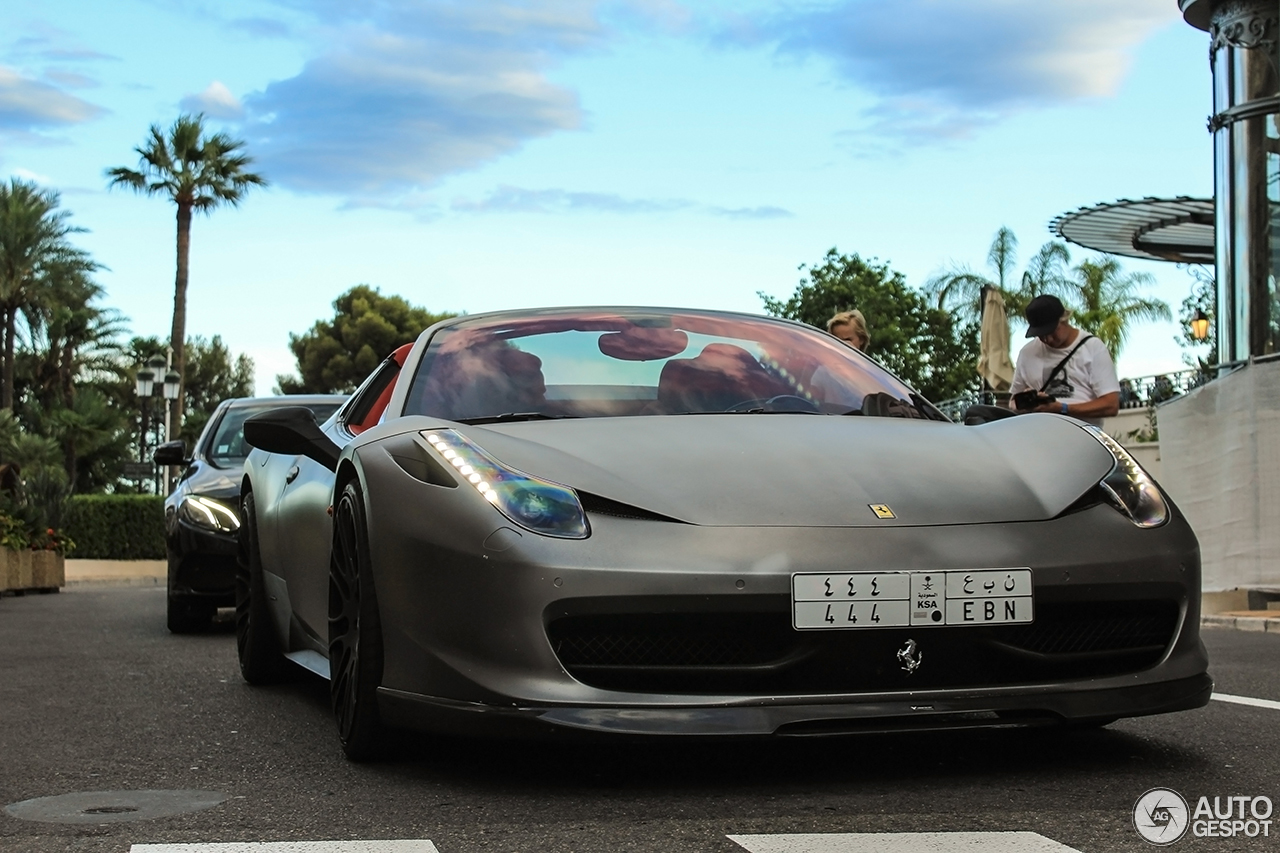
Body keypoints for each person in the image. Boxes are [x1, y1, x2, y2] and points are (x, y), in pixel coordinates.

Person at [1009, 295, 1119, 426]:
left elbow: (1111, 405)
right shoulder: (1027, 353)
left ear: (1064, 319)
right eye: (1041, 335)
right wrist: (1025, 403)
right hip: (1038, 437)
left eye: (1051, 332)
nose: (1047, 339)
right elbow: (1012, 401)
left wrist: (1062, 408)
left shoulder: (1093, 348)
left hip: (1081, 437)